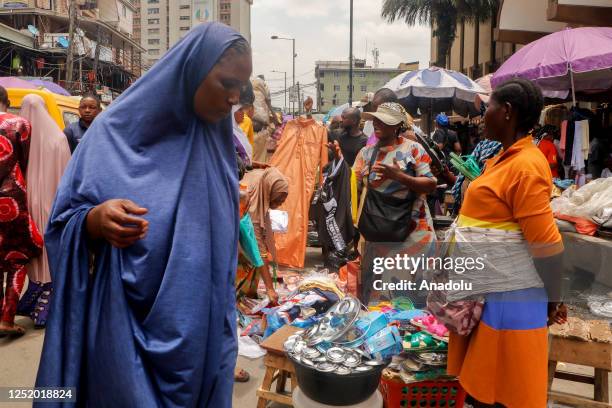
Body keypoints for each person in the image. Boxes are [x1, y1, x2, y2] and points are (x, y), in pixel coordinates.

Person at [35, 23, 252, 407]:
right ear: (192, 71)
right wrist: (93, 221)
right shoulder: (111, 134)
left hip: (201, 330)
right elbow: (62, 222)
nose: (235, 96)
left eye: (242, 85)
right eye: (226, 82)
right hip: (124, 333)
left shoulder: (216, 143)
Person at [447, 79, 566, 408]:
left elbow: (547, 245)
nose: (484, 115)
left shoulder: (526, 166)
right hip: (488, 292)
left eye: (490, 109)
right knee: (485, 387)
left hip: (511, 301)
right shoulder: (504, 158)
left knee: (502, 392)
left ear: (508, 112)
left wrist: (554, 298)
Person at [354, 102, 437, 303]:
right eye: (376, 119)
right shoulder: (365, 153)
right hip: (378, 233)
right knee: (379, 298)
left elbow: (430, 183)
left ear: (397, 125)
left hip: (413, 233)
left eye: (384, 121)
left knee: (407, 296)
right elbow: (356, 190)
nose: (377, 124)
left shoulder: (413, 149)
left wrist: (400, 177)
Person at [16, 94, 71, 328]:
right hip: (50, 203)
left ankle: (45, 294)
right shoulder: (58, 139)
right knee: (41, 249)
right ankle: (40, 291)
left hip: (33, 204)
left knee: (39, 249)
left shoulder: (22, 139)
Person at [233, 167, 288, 383]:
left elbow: (260, 241)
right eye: (281, 197)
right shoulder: (250, 201)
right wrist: (271, 288)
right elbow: (255, 248)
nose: (282, 203)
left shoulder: (260, 196)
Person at [0, 86, 43, 337]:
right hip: (11, 197)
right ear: (7, 101)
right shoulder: (20, 124)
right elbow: (27, 162)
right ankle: (7, 319)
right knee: (18, 258)